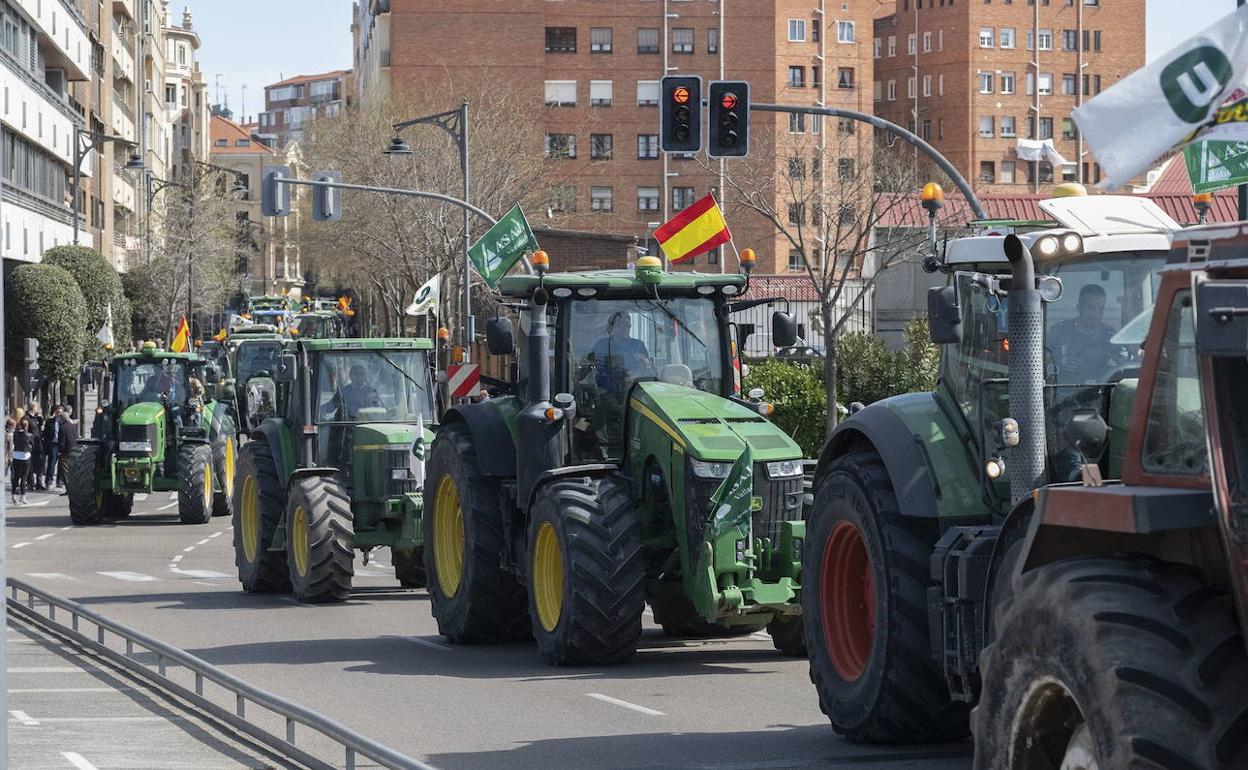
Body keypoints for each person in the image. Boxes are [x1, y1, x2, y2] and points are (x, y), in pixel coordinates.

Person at [1048, 284, 1120, 383]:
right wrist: (1061, 364)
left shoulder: (1110, 334)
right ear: (1079, 307)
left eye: (1100, 308)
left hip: (1103, 391)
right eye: (1090, 308)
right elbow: (1044, 363)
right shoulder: (1058, 332)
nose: (1096, 314)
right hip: (1065, 392)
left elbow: (1122, 363)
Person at [588, 312, 652, 394]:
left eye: (628, 326)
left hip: (632, 391)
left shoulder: (639, 345)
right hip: (604, 392)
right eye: (620, 325)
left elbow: (647, 372)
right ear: (612, 327)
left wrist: (642, 364)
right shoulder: (601, 345)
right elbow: (588, 367)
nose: (625, 329)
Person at [11, 418, 32, 505]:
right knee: (23, 478)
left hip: (16, 456)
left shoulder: (15, 434)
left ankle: (13, 495)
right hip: (25, 457)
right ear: (26, 426)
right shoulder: (29, 435)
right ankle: (23, 496)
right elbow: (32, 445)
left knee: (16, 477)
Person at [57, 406, 79, 490]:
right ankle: (73, 487)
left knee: (65, 471)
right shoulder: (73, 426)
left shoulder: (62, 428)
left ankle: (68, 488)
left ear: (62, 419)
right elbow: (76, 437)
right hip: (74, 449)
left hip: (66, 451)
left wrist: (60, 450)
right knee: (72, 470)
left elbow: (62, 441)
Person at [25, 405, 44, 491]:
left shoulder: (37, 418)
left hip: (38, 444)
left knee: (40, 464)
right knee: (31, 465)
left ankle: (39, 483)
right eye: (36, 407)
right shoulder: (26, 418)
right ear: (33, 408)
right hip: (31, 445)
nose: (37, 409)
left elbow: (39, 431)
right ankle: (31, 482)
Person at [43, 405, 61, 489]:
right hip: (53, 444)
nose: (59, 414)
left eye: (60, 412)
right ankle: (48, 481)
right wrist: (47, 444)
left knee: (62, 463)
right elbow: (45, 433)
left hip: (61, 444)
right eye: (57, 412)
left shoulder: (64, 422)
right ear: (55, 412)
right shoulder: (50, 421)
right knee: (51, 463)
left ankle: (60, 481)